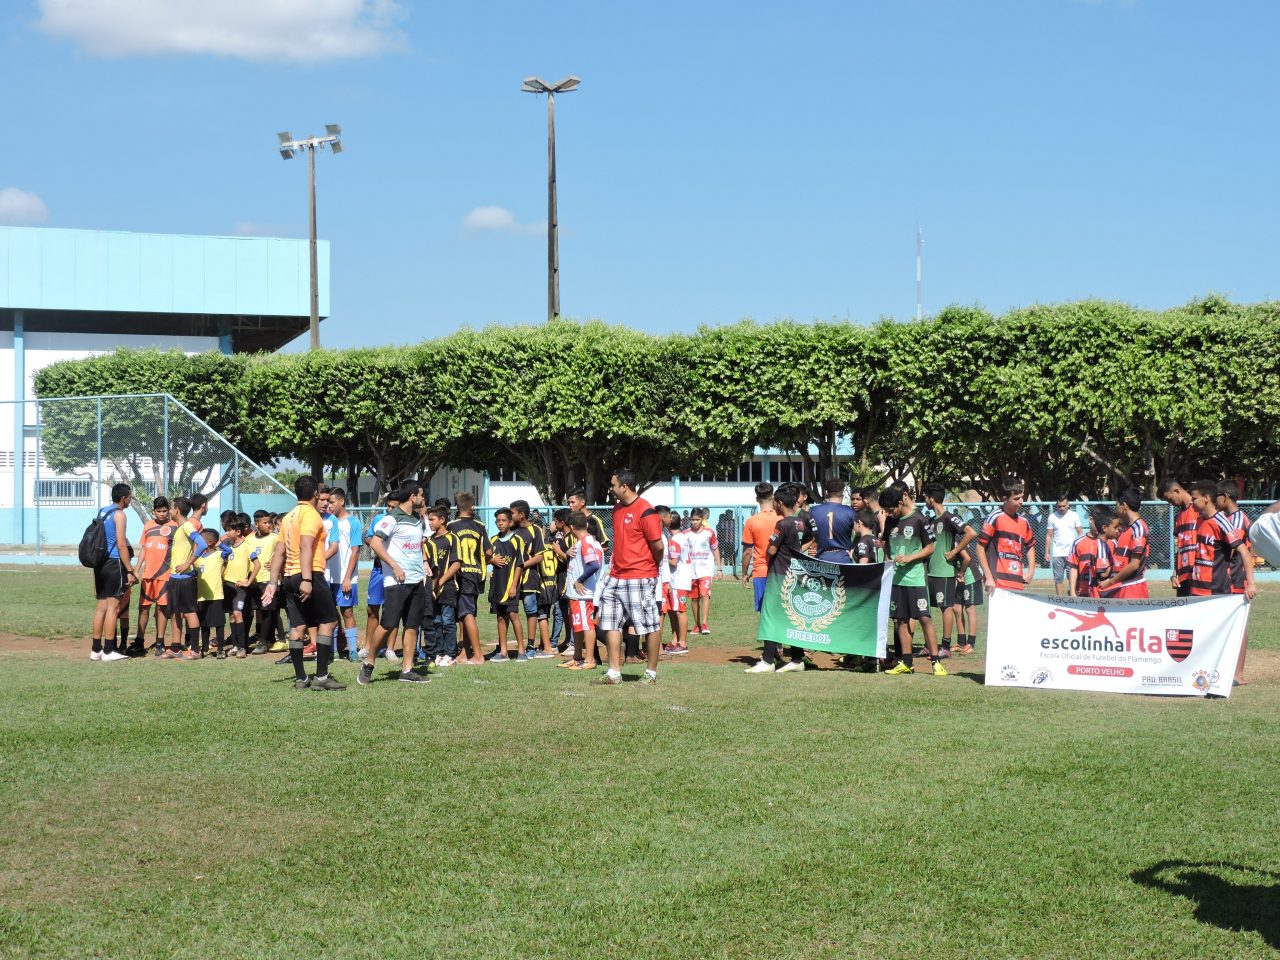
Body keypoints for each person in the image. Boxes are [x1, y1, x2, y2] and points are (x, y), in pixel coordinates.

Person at [261, 477, 345, 691]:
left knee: (298, 626)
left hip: (288, 577)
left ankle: (301, 678)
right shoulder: (311, 515)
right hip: (309, 574)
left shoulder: (289, 516)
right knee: (328, 621)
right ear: (315, 494)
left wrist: (273, 582)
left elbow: (279, 552)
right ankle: (322, 676)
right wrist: (307, 579)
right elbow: (306, 546)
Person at [591, 468, 665, 686]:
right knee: (610, 623)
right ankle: (614, 673)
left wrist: (650, 567)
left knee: (650, 625)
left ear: (624, 486)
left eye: (614, 485)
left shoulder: (646, 510)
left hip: (640, 576)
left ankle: (650, 673)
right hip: (616, 576)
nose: (611, 489)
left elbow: (658, 546)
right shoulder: (616, 510)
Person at [358, 482, 430, 685]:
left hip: (417, 580)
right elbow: (375, 543)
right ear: (412, 496)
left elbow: (419, 545)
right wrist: (395, 566)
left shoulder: (417, 518)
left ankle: (407, 670)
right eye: (421, 495)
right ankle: (368, 663)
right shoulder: (391, 519)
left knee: (412, 624)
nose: (423, 499)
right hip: (396, 580)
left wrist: (424, 562)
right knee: (388, 624)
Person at [1189, 479, 1256, 685]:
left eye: (1194, 498)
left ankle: (1227, 674)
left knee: (1222, 632)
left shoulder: (1223, 522)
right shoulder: (1199, 520)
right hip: (1196, 589)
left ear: (1206, 498)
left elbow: (1244, 551)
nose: (1192, 502)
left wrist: (1251, 583)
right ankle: (1198, 675)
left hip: (1217, 588)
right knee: (1198, 633)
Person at [745, 484, 812, 673]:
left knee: (770, 615)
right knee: (791, 616)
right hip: (793, 573)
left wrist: (769, 550)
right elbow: (810, 538)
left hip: (779, 573)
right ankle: (797, 659)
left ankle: (767, 661)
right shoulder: (799, 521)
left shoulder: (782, 524)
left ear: (780, 503)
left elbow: (772, 549)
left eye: (775, 502)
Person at [881, 486, 946, 677]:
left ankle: (936, 662)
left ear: (901, 502)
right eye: (886, 510)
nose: (889, 513)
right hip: (896, 579)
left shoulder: (919, 519)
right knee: (900, 620)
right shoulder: (890, 521)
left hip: (916, 579)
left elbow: (930, 548)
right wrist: (887, 558)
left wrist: (910, 558)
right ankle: (906, 662)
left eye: (891, 509)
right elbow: (886, 542)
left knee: (925, 618)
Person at [922, 483, 975, 658]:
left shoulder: (948, 517)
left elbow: (971, 533)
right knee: (928, 609)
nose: (925, 501)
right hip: (930, 572)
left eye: (925, 497)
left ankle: (945, 647)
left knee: (946, 608)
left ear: (931, 498)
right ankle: (929, 645)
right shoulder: (931, 521)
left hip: (944, 572)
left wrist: (954, 551)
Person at [89, 482, 138, 662]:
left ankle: (96, 649)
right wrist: (130, 570)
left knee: (101, 607)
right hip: (113, 563)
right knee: (113, 607)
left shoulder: (103, 511)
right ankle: (109, 650)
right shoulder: (120, 514)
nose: (130, 500)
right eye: (130, 497)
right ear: (124, 498)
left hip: (99, 563)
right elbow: (121, 543)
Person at [448, 491, 492, 665]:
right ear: (472, 507)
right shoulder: (479, 526)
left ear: (457, 507)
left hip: (460, 575)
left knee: (466, 614)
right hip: (476, 574)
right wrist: (481, 563)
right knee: (467, 613)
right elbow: (489, 552)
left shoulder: (452, 526)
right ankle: (465, 652)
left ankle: (478, 655)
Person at [164, 494, 210, 660]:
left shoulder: (187, 526)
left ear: (176, 510)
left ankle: (196, 650)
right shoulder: (179, 529)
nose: (169, 511)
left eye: (170, 508)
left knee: (190, 612)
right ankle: (176, 647)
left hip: (185, 579)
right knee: (176, 613)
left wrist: (188, 563)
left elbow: (203, 544)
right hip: (175, 578)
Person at [509, 500, 553, 660]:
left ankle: (530, 645)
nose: (510, 515)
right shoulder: (511, 530)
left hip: (529, 579)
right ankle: (502, 647)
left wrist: (520, 565)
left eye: (512, 512)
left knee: (530, 610)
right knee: (508, 610)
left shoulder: (534, 530)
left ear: (521, 515)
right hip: (510, 580)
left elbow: (539, 556)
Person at [561, 511, 605, 669]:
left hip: (583, 594)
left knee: (587, 625)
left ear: (571, 527)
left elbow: (594, 565)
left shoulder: (586, 542)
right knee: (578, 626)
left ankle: (589, 660)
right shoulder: (582, 542)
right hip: (577, 594)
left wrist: (580, 580)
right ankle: (577, 657)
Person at [132, 496, 174, 657]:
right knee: (143, 608)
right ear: (153, 512)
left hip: (164, 575)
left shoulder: (174, 526)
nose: (162, 514)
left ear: (169, 510)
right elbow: (144, 548)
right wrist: (137, 569)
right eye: (159, 511)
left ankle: (160, 641)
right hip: (148, 575)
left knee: (162, 608)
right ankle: (139, 641)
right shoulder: (148, 526)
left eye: (165, 511)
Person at [976, 480, 1036, 593]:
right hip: (997, 581)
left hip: (1017, 580)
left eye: (1022, 497)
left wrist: (1031, 571)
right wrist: (988, 577)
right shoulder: (994, 517)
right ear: (1004, 499)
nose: (1021, 501)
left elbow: (1030, 546)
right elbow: (979, 548)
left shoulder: (1024, 522)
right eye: (1016, 499)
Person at [325, 488, 363, 661]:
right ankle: (332, 651)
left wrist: (347, 577)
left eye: (332, 502)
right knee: (330, 613)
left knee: (347, 612)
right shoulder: (326, 522)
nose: (329, 505)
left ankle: (353, 650)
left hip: (345, 577)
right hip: (327, 576)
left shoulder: (353, 523)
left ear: (341, 501)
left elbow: (355, 551)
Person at [362, 492, 397, 660]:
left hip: (395, 571)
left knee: (393, 609)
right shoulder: (379, 520)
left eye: (393, 507)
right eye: (388, 506)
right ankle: (368, 646)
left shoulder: (403, 521)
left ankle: (390, 648)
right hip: (378, 569)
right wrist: (378, 544)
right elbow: (369, 538)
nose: (389, 509)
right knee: (372, 608)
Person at [487, 508, 525, 661]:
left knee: (513, 615)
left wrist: (514, 585)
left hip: (510, 585)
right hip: (497, 584)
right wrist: (491, 560)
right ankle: (503, 652)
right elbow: (485, 557)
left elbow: (519, 565)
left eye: (503, 521)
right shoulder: (493, 540)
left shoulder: (517, 540)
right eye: (498, 521)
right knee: (500, 617)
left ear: (510, 522)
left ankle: (521, 651)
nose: (500, 523)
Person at [426, 505, 461, 667]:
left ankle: (450, 653)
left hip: (447, 588)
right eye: (428, 519)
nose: (430, 522)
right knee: (436, 621)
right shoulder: (429, 541)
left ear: (442, 520)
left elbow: (456, 564)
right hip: (432, 589)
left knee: (448, 621)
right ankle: (439, 652)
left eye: (432, 519)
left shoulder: (452, 538)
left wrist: (440, 582)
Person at [1099, 488, 1149, 599]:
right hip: (1120, 586)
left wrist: (1110, 582)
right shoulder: (1126, 528)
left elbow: (1134, 565)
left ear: (1124, 505)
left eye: (1116, 505)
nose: (1115, 509)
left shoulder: (1139, 528)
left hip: (1132, 588)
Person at [223, 515, 261, 657]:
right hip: (228, 586)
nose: (227, 533)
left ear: (238, 532)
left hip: (240, 588)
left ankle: (242, 648)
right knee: (232, 616)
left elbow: (257, 565)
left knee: (238, 614)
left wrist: (248, 581)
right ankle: (235, 645)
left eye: (229, 530)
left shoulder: (247, 546)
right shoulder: (229, 548)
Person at [246, 510, 283, 655]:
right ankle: (269, 638)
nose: (269, 525)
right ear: (256, 524)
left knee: (268, 611)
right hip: (254, 580)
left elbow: (283, 554)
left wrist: (276, 564)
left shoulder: (275, 538)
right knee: (261, 611)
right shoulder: (249, 540)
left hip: (269, 580)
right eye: (265, 522)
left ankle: (263, 642)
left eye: (270, 522)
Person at [739, 482, 778, 614]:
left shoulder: (752, 521)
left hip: (761, 570)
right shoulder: (782, 518)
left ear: (757, 499)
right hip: (781, 570)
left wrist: (744, 573)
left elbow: (747, 552)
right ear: (773, 497)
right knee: (780, 613)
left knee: (764, 613)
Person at [1159, 479, 1200, 598]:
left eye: (1170, 499)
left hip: (1198, 573)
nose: (1170, 503)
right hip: (1183, 576)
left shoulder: (1199, 510)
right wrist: (1175, 574)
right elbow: (1181, 548)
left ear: (1177, 491)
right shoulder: (1179, 516)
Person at [1066, 507, 1119, 598]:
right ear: (1091, 519)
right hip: (1083, 593)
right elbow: (1073, 568)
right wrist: (1072, 592)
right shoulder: (1078, 542)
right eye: (1099, 521)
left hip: (1105, 593)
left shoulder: (1112, 543)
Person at [194, 528, 230, 656]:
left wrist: (219, 543)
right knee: (204, 625)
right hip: (201, 597)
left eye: (201, 539)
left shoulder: (218, 555)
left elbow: (228, 550)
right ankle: (204, 648)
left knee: (219, 624)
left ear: (209, 542)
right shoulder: (198, 559)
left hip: (216, 596)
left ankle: (220, 649)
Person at [684, 508, 719, 635]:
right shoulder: (686, 534)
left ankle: (704, 624)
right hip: (691, 571)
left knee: (704, 594)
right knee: (694, 598)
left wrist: (719, 567)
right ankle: (697, 625)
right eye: (692, 520)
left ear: (702, 519)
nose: (694, 522)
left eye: (697, 519)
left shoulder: (709, 532)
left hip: (706, 570)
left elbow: (715, 549)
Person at [662, 512, 690, 656]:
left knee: (680, 610)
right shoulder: (681, 536)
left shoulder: (675, 540)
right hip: (680, 579)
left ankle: (683, 643)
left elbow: (673, 561)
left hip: (678, 580)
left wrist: (662, 558)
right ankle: (675, 640)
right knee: (674, 610)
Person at [810, 477, 856, 563]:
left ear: (826, 492)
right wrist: (853, 549)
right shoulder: (850, 512)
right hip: (843, 558)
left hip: (821, 558)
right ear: (843, 492)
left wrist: (812, 546)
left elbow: (808, 534)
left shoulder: (813, 511)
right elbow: (862, 533)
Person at [1045, 497, 1083, 598]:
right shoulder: (1052, 517)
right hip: (1057, 553)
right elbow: (1049, 535)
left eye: (1064, 506)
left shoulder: (1074, 515)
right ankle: (1060, 600)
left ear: (1068, 505)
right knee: (1058, 578)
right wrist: (1047, 552)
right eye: (1059, 506)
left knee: (1073, 577)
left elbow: (1080, 532)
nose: (1062, 508)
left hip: (1071, 554)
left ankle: (1073, 597)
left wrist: (1079, 549)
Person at [567, 488, 610, 557]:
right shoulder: (570, 519)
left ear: (582, 502)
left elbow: (605, 547)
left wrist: (589, 555)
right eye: (569, 503)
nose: (570, 505)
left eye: (573, 502)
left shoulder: (595, 520)